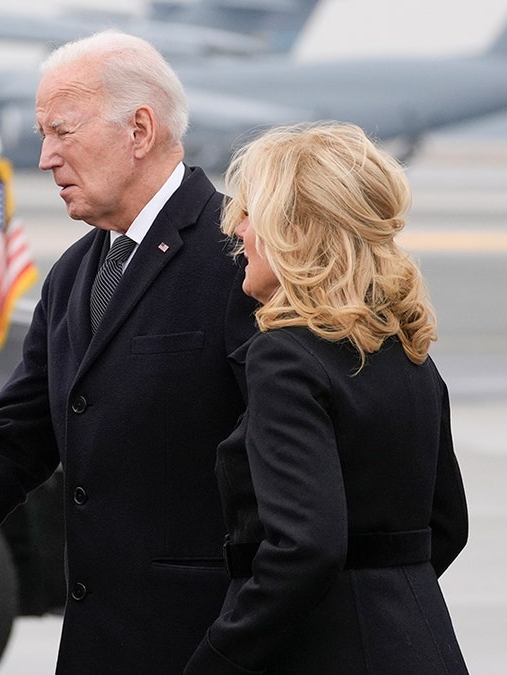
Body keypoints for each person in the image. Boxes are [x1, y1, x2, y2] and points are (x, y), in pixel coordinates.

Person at [0, 30, 258, 672]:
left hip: (211, 643)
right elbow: (18, 434)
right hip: (99, 645)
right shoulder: (76, 273)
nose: (46, 157)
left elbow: (294, 472)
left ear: (139, 129)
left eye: (62, 132)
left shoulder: (239, 261)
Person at [184, 121, 469, 673]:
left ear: (296, 230)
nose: (238, 230)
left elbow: (305, 548)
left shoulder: (285, 357)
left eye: (252, 213)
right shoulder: (407, 350)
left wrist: (217, 657)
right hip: (421, 641)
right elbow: (447, 525)